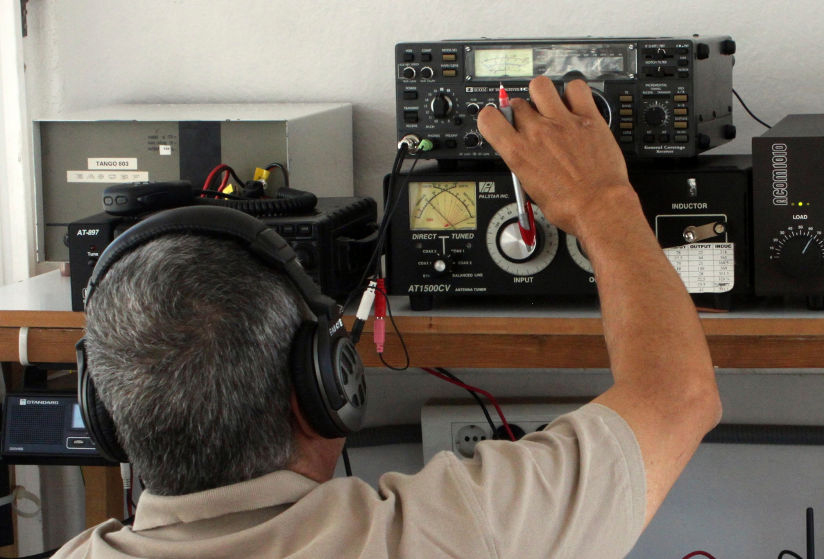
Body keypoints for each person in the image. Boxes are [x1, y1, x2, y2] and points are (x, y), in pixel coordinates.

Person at [53, 76, 721, 559]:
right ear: (325, 385)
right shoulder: (457, 531)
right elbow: (679, 393)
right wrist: (602, 199)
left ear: (104, 414)